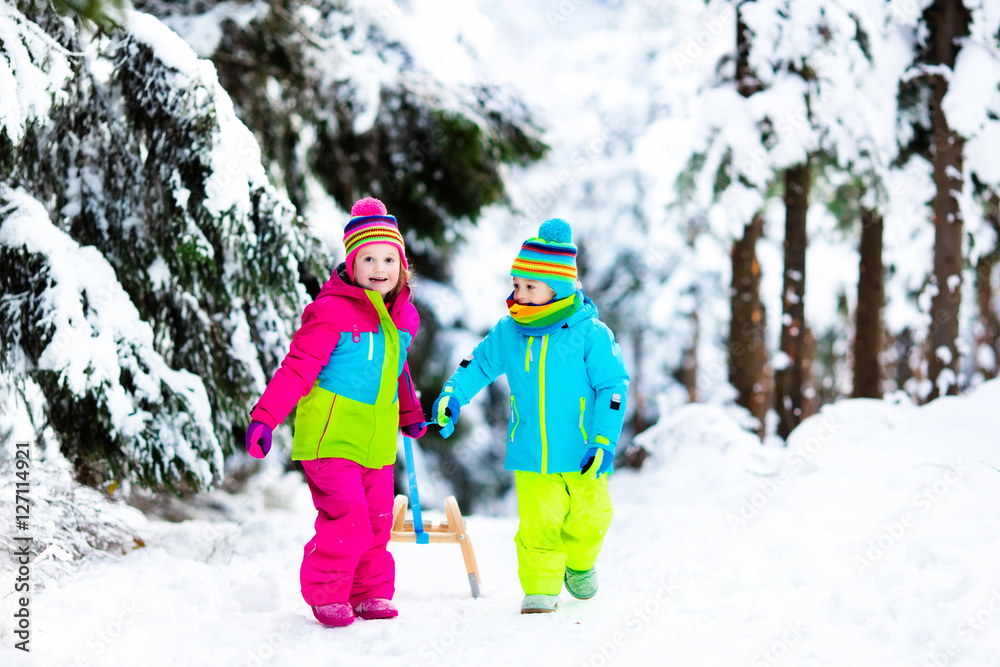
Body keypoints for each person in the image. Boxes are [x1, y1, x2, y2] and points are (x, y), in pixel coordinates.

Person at [244, 197, 426, 627]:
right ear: (351, 263)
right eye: (368, 258)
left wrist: (409, 412)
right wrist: (265, 417)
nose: (379, 267)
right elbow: (297, 368)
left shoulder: (405, 318)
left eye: (388, 258)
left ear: (402, 265)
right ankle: (326, 593)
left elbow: (395, 372)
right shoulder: (330, 313)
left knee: (379, 521)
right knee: (348, 518)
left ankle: (368, 593)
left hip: (377, 440)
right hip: (330, 437)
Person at [431, 218, 629, 614]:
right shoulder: (510, 331)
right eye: (516, 284)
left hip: (585, 452)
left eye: (528, 286)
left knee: (591, 517)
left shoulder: (591, 334)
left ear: (556, 289)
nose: (517, 293)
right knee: (539, 522)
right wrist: (453, 395)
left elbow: (613, 389)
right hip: (532, 454)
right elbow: (478, 365)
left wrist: (604, 441)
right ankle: (540, 588)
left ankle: (581, 562)